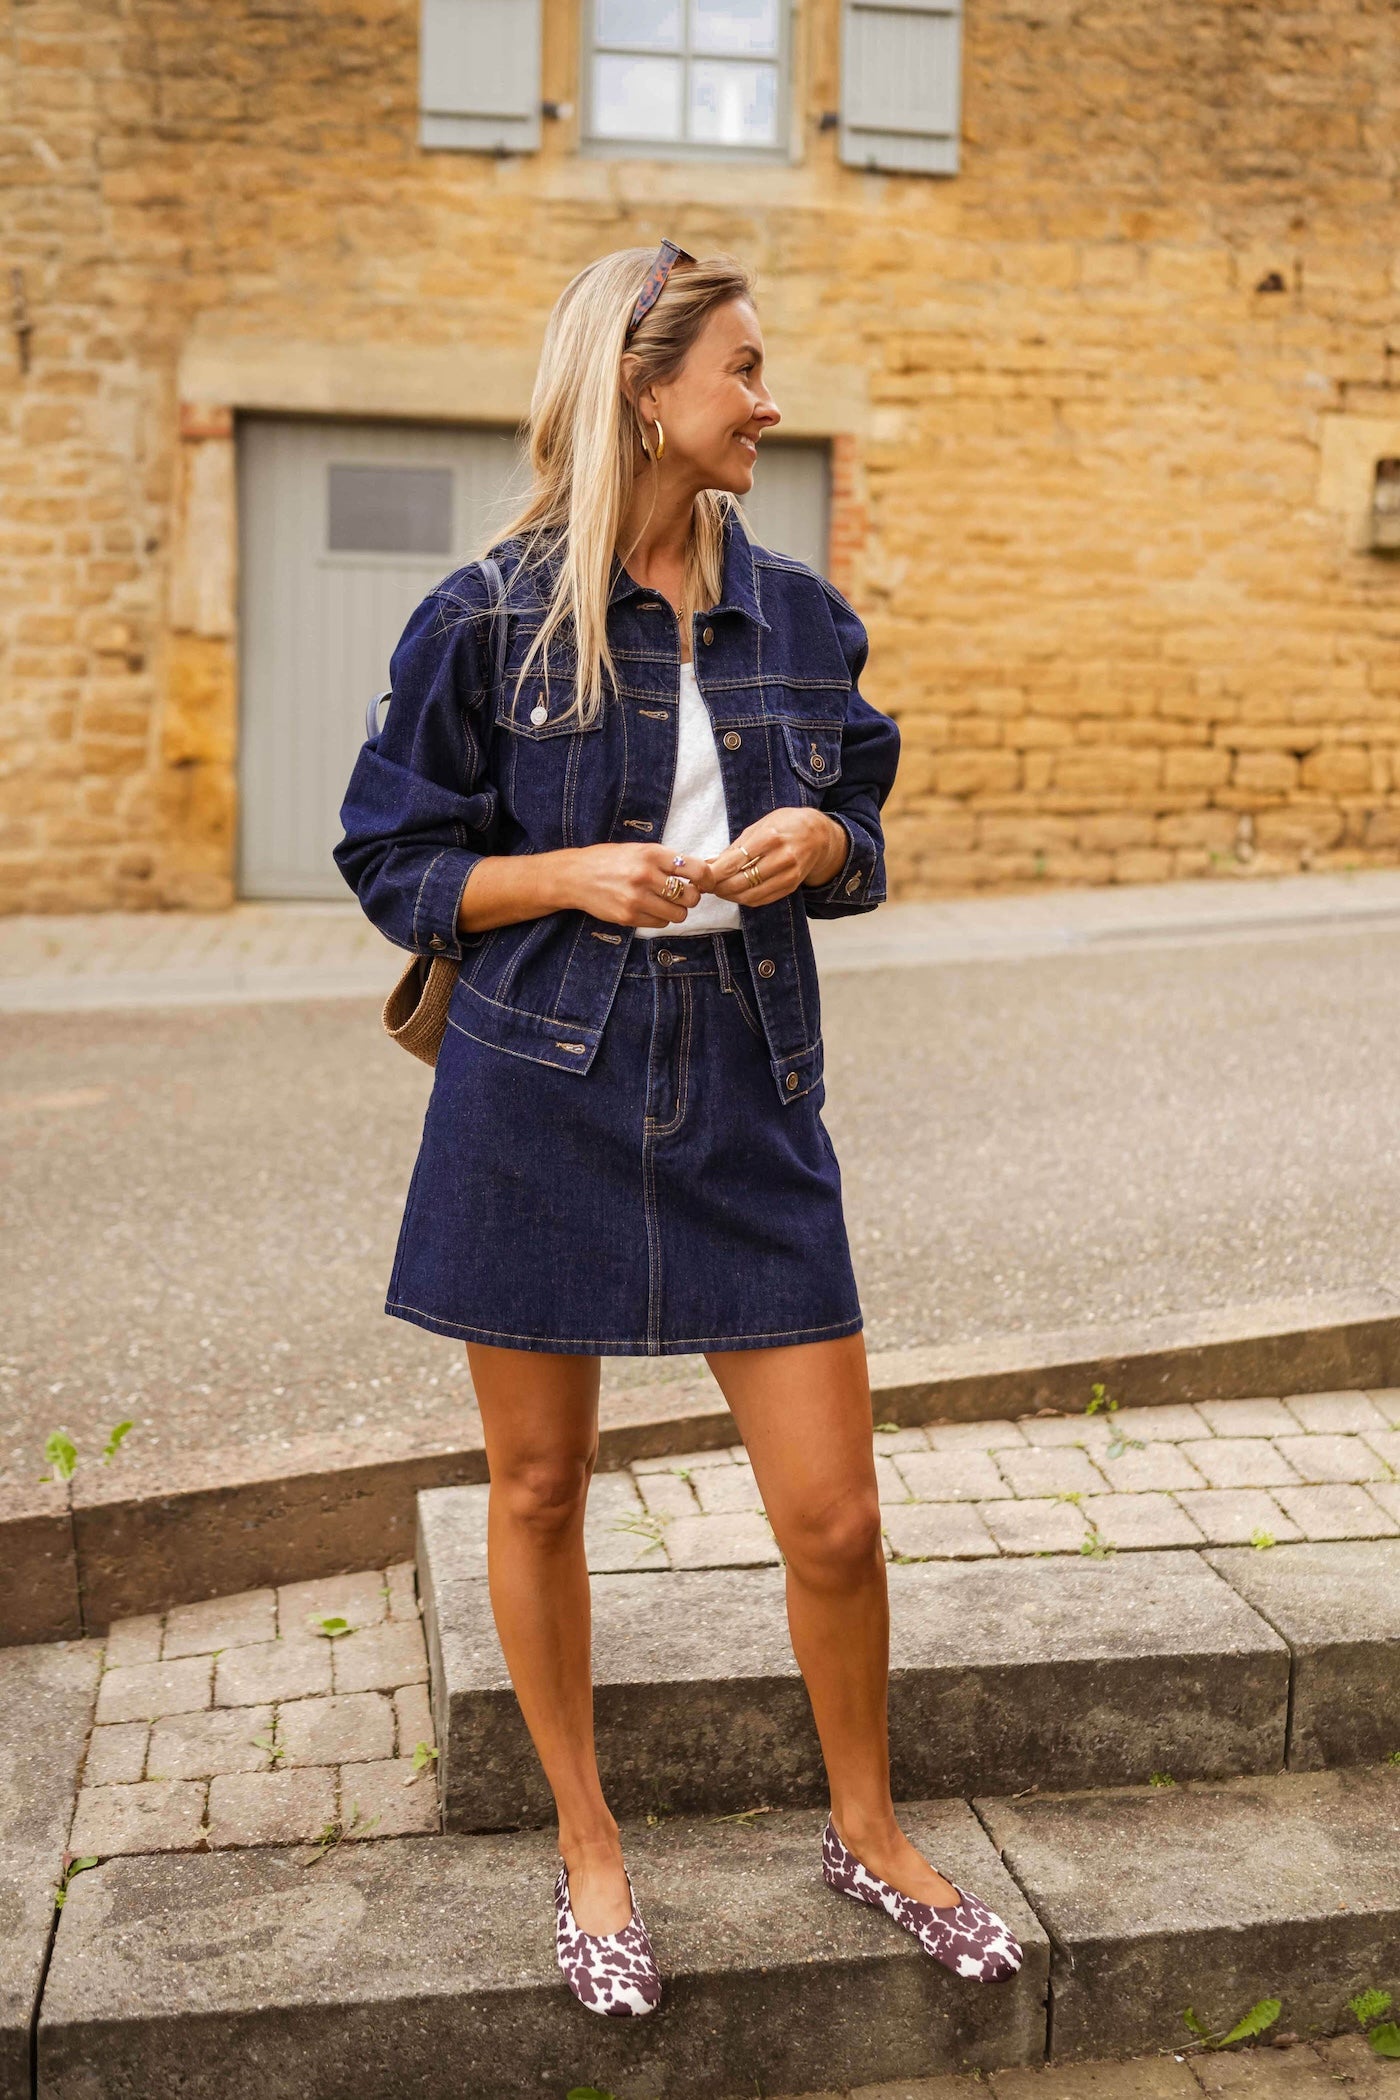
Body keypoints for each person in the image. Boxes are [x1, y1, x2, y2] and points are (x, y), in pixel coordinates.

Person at [336, 239, 1023, 2018]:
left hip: (748, 1077)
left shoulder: (800, 614)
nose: (766, 401)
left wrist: (825, 850)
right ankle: (589, 1843)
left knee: (836, 1520)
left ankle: (865, 1827)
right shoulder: (486, 616)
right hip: (539, 1077)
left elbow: (862, 825)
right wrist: (562, 871)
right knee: (542, 1483)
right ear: (649, 390)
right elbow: (389, 860)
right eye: (742, 369)